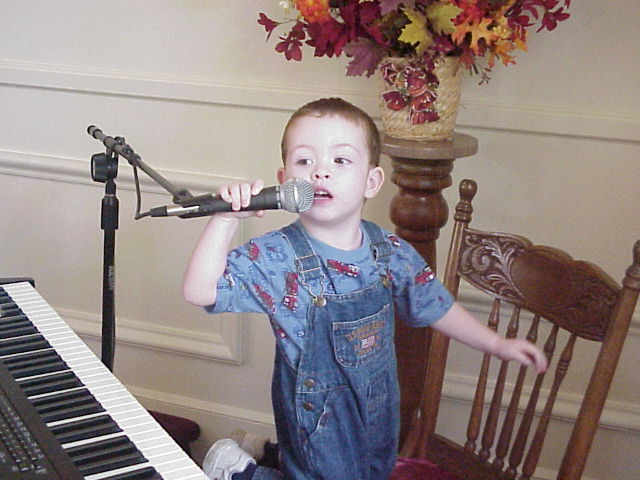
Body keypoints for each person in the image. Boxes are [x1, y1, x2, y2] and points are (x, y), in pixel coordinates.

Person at [182, 98, 547, 480]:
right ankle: (237, 470)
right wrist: (225, 220)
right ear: (285, 180)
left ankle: (270, 454)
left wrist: (495, 343)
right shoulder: (276, 257)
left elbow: (435, 304)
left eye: (340, 160)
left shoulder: (390, 252)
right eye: (304, 161)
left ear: (371, 182)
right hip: (318, 424)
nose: (320, 172)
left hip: (378, 414)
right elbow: (199, 291)